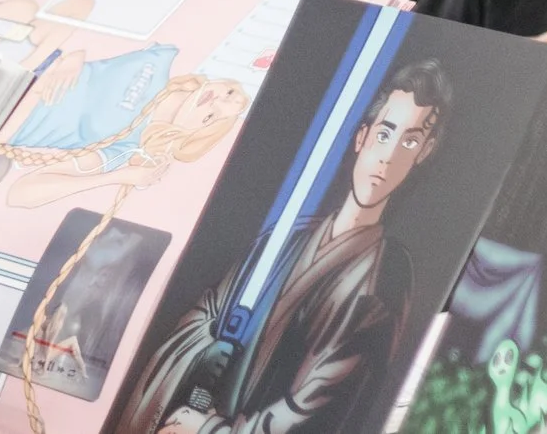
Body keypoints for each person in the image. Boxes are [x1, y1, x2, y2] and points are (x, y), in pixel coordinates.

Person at [114, 61, 451, 434]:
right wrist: (206, 353)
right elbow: (206, 312)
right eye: (384, 134)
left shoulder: (389, 270)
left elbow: (322, 405)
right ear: (362, 138)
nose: (389, 156)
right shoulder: (289, 237)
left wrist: (211, 430)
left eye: (410, 141)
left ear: (424, 152)